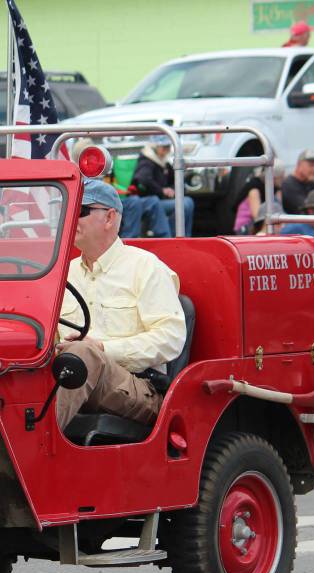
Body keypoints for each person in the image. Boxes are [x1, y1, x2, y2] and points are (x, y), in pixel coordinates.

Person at [56, 178, 186, 429]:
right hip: (66, 376)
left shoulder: (146, 267)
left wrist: (102, 348)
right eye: (66, 211)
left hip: (139, 386)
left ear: (109, 218)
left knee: (82, 355)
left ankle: (34, 454)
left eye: (79, 211)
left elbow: (171, 337)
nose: (69, 219)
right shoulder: (62, 273)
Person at [132, 138, 193, 235]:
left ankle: (184, 237)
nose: (166, 150)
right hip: (149, 202)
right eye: (164, 147)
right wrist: (162, 190)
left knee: (188, 202)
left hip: (161, 200)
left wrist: (172, 189)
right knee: (183, 204)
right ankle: (174, 238)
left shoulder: (164, 161)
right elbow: (143, 179)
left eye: (168, 147)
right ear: (155, 146)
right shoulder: (147, 161)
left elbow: (178, 179)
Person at [280, 149, 314, 214]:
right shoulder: (289, 184)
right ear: (299, 165)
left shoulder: (312, 182)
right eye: (311, 165)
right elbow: (306, 208)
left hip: (311, 221)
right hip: (295, 222)